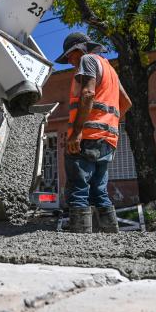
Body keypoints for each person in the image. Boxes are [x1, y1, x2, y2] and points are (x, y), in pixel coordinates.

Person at [55, 32, 132, 233]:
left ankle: (80, 238)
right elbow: (126, 103)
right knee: (99, 189)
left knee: (78, 188)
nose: (71, 62)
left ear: (78, 50)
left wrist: (77, 132)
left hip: (87, 137)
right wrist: (109, 124)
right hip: (107, 140)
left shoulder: (87, 60)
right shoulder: (110, 70)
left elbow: (88, 93)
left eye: (70, 57)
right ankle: (109, 235)